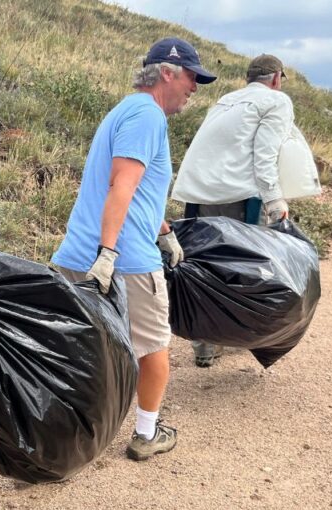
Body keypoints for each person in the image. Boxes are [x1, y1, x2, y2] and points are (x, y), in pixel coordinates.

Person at [51, 37, 216, 461]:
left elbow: (138, 190)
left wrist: (164, 229)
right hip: (123, 261)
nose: (194, 88)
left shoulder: (125, 111)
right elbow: (121, 185)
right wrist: (108, 253)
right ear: (168, 73)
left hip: (75, 255)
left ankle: (59, 437)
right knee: (153, 346)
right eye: (192, 77)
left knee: (81, 349)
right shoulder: (147, 116)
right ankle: (146, 433)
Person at [170, 54, 295, 368]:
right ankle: (237, 335)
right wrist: (275, 201)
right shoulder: (276, 102)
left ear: (249, 78)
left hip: (198, 192)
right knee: (240, 271)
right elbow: (264, 157)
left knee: (203, 267)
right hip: (236, 196)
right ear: (277, 78)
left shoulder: (228, 100)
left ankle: (203, 344)